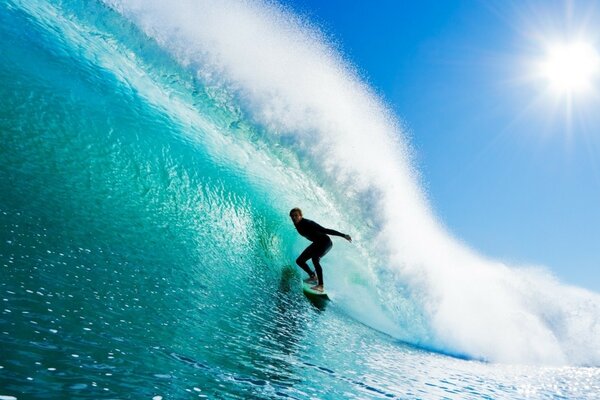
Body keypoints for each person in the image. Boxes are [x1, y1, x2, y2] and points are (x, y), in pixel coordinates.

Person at [289, 208, 351, 292]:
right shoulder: (297, 225)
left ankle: (321, 285)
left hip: (325, 242)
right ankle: (313, 276)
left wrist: (343, 235)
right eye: (292, 216)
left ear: (300, 216)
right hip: (317, 243)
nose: (294, 217)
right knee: (300, 261)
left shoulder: (308, 223)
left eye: (296, 215)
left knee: (315, 258)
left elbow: (325, 230)